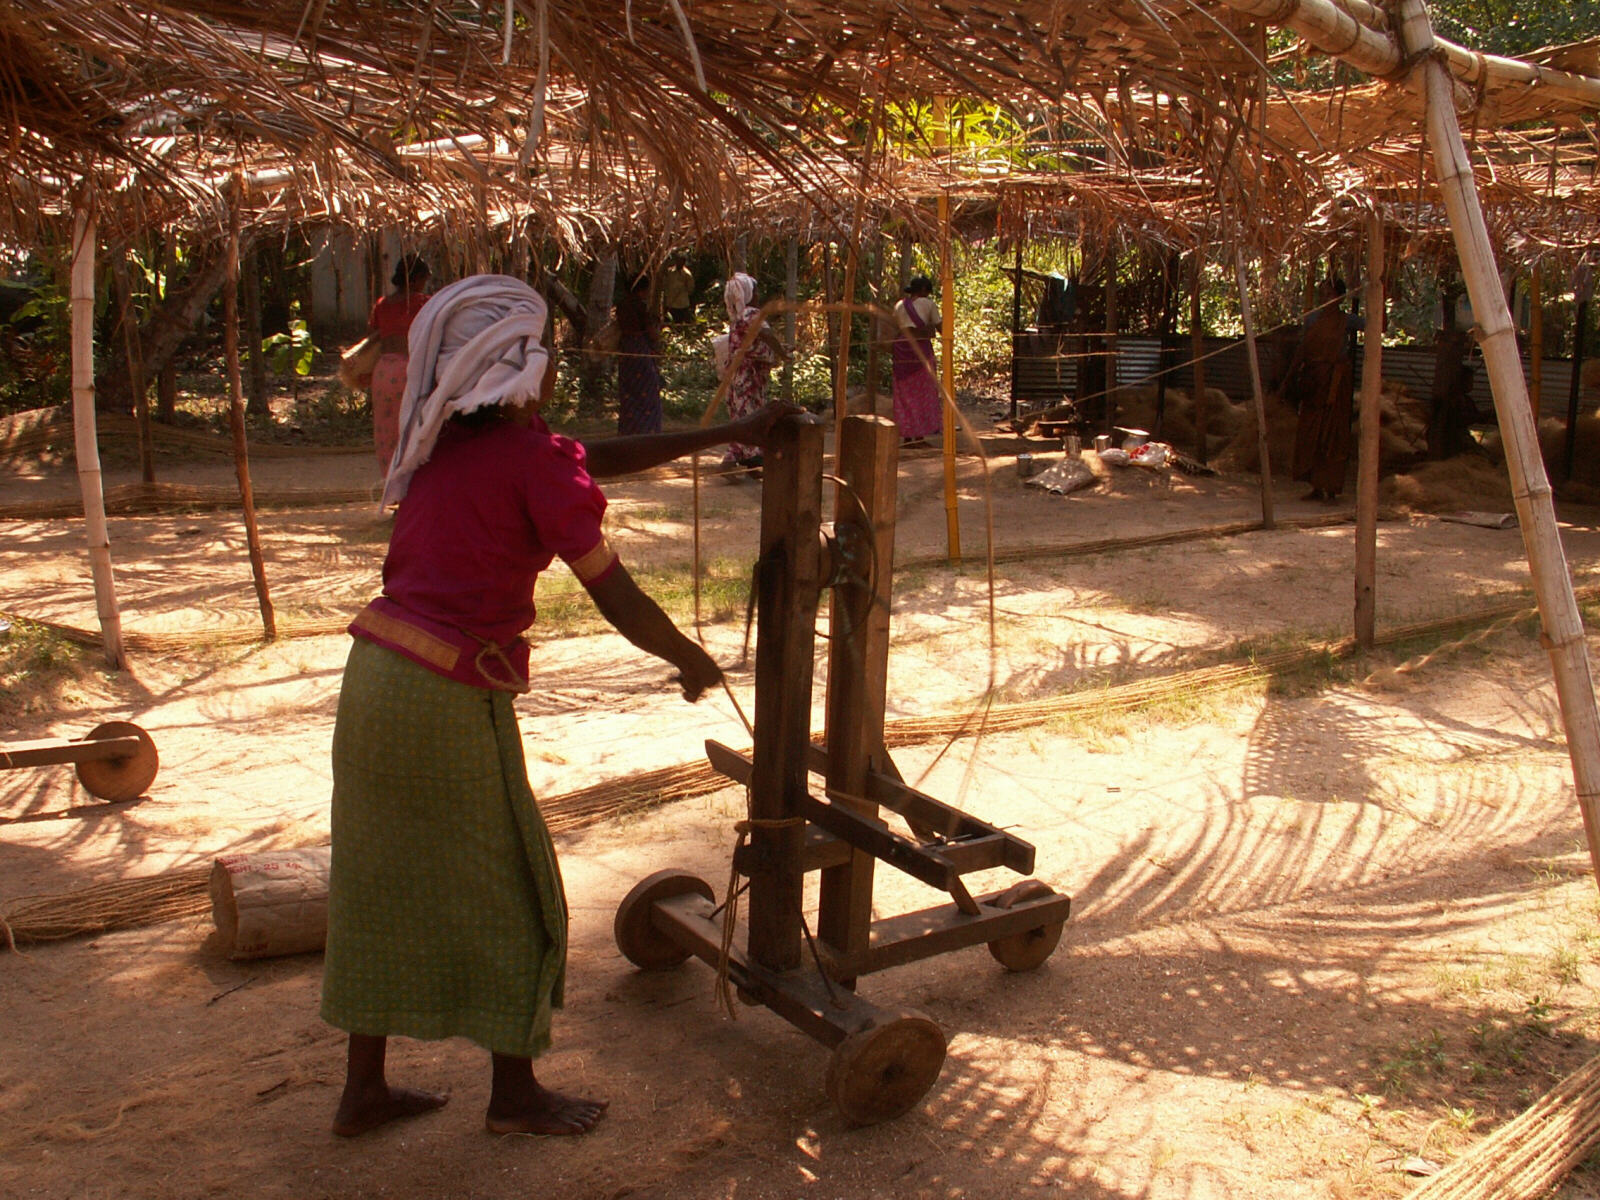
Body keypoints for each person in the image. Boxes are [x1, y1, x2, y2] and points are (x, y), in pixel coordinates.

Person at [321, 274, 792, 1139]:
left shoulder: (452, 440)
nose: (553, 375)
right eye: (547, 360)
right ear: (520, 367)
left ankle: (364, 1090)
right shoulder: (525, 458)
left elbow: (588, 458)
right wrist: (690, 658)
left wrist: (732, 431)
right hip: (445, 698)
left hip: (377, 680)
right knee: (515, 890)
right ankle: (515, 1095)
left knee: (381, 889)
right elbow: (614, 591)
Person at [1282, 278, 1356, 501]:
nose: (1326, 299)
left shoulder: (1348, 321)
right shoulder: (1312, 319)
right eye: (1322, 294)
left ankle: (1331, 487)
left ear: (1341, 297)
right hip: (1314, 382)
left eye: (1330, 294)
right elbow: (1302, 350)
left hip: (1336, 384)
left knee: (1334, 434)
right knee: (1310, 433)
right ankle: (1315, 485)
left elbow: (1379, 327)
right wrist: (1289, 378)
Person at [368, 255, 432, 476]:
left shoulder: (382, 305)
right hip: (410, 371)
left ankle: (392, 480)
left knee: (387, 429)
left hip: (384, 372)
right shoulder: (424, 304)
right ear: (416, 280)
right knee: (415, 428)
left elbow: (374, 336)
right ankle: (413, 482)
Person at [720, 272, 786, 473]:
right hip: (749, 378)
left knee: (740, 417)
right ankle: (753, 460)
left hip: (737, 376)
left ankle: (734, 460)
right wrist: (782, 353)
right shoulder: (751, 314)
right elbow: (765, 334)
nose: (758, 295)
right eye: (754, 291)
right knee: (751, 417)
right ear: (747, 294)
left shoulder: (737, 317)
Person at [890, 275, 943, 448]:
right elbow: (940, 327)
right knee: (922, 392)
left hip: (901, 350)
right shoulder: (928, 304)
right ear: (923, 291)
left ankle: (907, 437)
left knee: (904, 393)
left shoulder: (899, 305)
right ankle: (919, 436)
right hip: (920, 350)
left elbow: (895, 327)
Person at [615, 274, 663, 435]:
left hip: (625, 351)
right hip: (640, 350)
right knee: (649, 392)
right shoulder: (640, 306)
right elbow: (651, 332)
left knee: (628, 393)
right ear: (642, 290)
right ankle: (648, 430)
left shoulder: (621, 306)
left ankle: (629, 430)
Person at [660, 258, 696, 324]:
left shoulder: (687, 274)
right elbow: (664, 285)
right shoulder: (669, 272)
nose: (679, 262)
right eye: (678, 260)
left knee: (680, 323)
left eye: (681, 261)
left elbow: (690, 289)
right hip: (670, 303)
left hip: (682, 304)